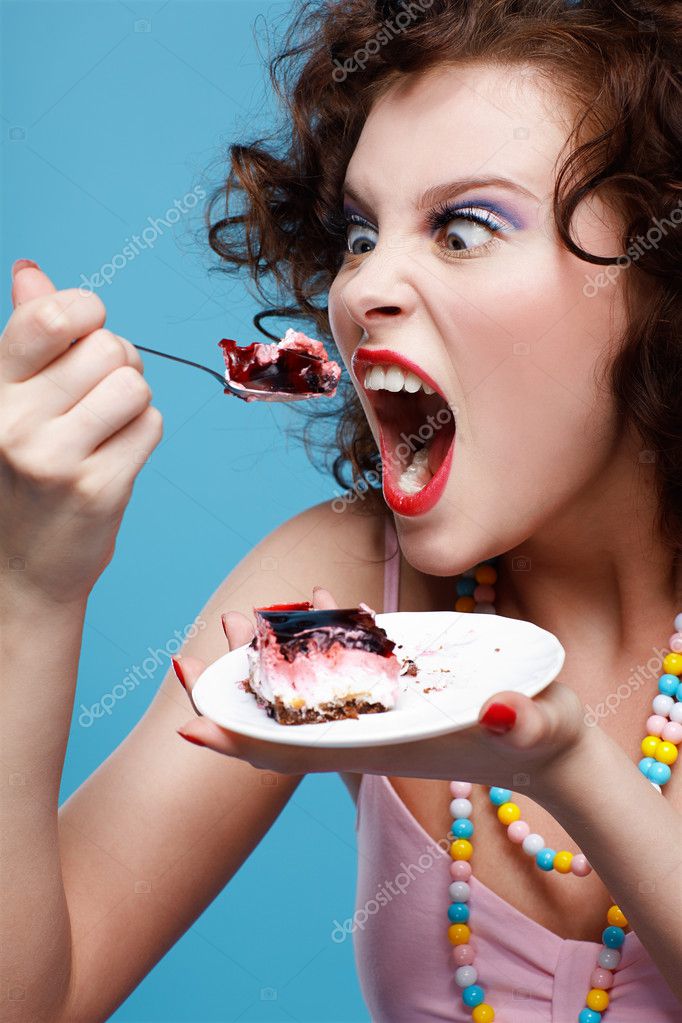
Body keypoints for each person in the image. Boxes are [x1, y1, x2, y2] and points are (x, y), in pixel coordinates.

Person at [2, 1, 681, 1021]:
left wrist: (569, 769)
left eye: (461, 228)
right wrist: (28, 589)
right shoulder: (351, 585)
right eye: (362, 233)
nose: (362, 289)